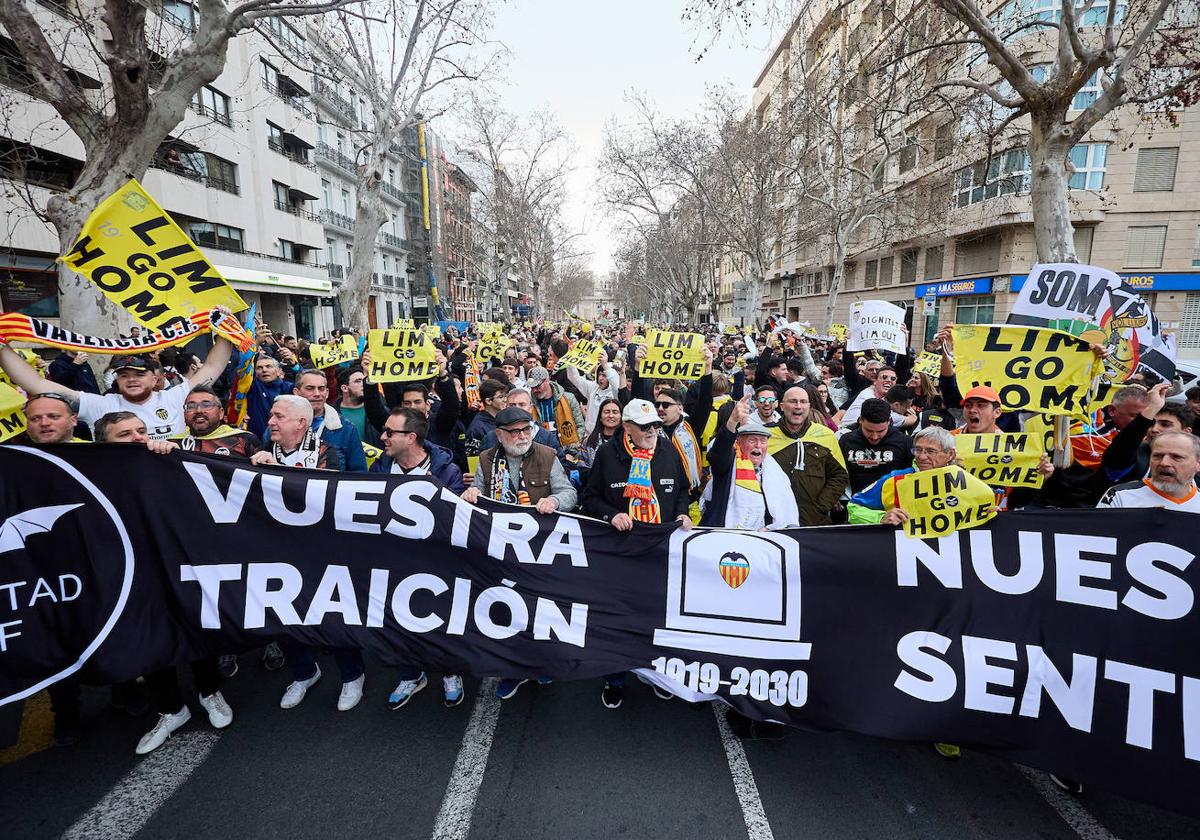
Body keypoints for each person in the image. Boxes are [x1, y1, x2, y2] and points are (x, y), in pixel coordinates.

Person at [250, 395, 365, 711]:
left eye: (278, 416)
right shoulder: (259, 451)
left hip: (321, 553)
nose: (270, 421)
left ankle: (352, 675)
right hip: (273, 553)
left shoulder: (326, 452)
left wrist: (277, 474)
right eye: (271, 415)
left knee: (331, 616)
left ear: (301, 423)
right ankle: (304, 673)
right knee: (282, 617)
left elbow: (328, 497)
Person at [461, 407, 578, 702]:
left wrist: (554, 500)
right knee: (507, 613)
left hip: (540, 551)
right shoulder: (486, 460)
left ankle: (543, 663)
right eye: (515, 432)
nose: (523, 436)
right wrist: (472, 495)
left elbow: (570, 493)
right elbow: (476, 492)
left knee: (541, 612)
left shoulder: (547, 454)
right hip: (501, 552)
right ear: (499, 435)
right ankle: (512, 670)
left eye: (526, 430)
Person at [583, 398, 690, 709]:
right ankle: (615, 678)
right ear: (626, 428)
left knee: (657, 619)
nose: (653, 431)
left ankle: (654, 675)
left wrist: (682, 513)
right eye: (645, 427)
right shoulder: (607, 454)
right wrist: (610, 515)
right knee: (618, 621)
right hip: (621, 553)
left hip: (660, 551)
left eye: (656, 425)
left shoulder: (668, 449)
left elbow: (682, 489)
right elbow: (590, 497)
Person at [370, 407, 466, 709]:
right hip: (391, 563)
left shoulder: (445, 471)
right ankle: (411, 674)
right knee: (398, 625)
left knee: (439, 623)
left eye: (390, 432)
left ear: (411, 437)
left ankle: (450, 672)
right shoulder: (380, 469)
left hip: (436, 566)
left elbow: (455, 522)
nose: (382, 437)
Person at [0, 336, 233, 439]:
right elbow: (36, 384)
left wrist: (225, 329)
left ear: (155, 379)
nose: (131, 379)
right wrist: (2, 347)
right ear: (116, 381)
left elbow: (213, 365)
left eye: (139, 374)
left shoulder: (176, 396)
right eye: (124, 375)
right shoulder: (99, 405)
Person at [700, 395, 800, 529]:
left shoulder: (774, 471)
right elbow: (717, 455)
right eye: (752, 440)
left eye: (763, 441)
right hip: (725, 536)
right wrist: (732, 421)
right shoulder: (729, 464)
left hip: (761, 540)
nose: (758, 446)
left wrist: (773, 528)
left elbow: (782, 510)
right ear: (739, 443)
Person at [767, 384, 848, 526]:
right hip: (774, 521)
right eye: (793, 401)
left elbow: (839, 476)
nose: (798, 406)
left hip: (815, 521)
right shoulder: (766, 436)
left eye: (803, 401)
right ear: (782, 406)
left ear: (809, 406)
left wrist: (821, 507)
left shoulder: (826, 435)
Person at [847, 426, 958, 526]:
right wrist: (880, 518)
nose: (922, 457)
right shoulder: (895, 480)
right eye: (918, 450)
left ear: (950, 454)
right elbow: (853, 507)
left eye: (930, 451)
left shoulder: (964, 480)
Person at [1098, 431, 1200, 511]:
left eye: (1176, 457)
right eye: (1157, 456)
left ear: (1198, 464)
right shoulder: (1119, 495)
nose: (1164, 463)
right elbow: (1098, 536)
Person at [292, 368, 367, 472]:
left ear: (327, 393)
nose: (317, 393)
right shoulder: (278, 424)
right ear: (296, 392)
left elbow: (359, 472)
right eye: (310, 388)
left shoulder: (346, 428)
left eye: (321, 388)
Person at [839, 398, 914, 494]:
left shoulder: (904, 442)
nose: (874, 437)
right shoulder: (846, 440)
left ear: (889, 421)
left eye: (880, 431)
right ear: (860, 420)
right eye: (869, 431)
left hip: (891, 501)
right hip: (857, 502)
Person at [174, 385, 263, 458]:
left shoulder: (244, 440)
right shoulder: (174, 443)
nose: (198, 410)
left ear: (220, 413)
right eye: (191, 406)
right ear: (184, 414)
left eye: (206, 405)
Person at [526, 366, 585, 451]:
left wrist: (572, 450)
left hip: (566, 450)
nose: (534, 390)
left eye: (537, 386)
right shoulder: (528, 402)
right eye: (532, 387)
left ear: (547, 380)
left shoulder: (568, 398)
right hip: (539, 452)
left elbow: (580, 426)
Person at [565, 355, 621, 438]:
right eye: (599, 375)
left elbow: (615, 383)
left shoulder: (615, 393)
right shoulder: (593, 387)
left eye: (604, 375)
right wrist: (570, 360)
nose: (600, 378)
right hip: (589, 435)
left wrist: (605, 364)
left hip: (607, 436)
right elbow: (575, 378)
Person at [247, 355, 294, 439]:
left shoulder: (288, 388)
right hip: (258, 442)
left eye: (269, 366)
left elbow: (306, 383)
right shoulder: (253, 389)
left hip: (286, 440)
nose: (264, 370)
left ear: (279, 371)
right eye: (259, 368)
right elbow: (246, 370)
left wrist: (296, 366)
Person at [333, 366, 379, 447]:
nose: (364, 384)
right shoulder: (331, 414)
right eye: (358, 381)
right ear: (344, 388)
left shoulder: (379, 410)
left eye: (364, 380)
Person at [465, 379, 509, 461]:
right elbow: (473, 461)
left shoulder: (504, 419)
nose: (505, 400)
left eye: (505, 396)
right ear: (488, 401)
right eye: (500, 397)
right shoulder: (477, 428)